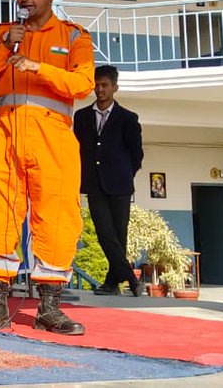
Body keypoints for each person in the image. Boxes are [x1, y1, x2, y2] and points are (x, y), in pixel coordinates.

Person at [0, 0, 95, 335]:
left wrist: (37, 67)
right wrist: (5, 47)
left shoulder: (74, 38)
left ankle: (50, 308)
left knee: (56, 217)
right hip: (6, 135)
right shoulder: (1, 35)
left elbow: (83, 84)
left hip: (53, 139)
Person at [73, 65, 144, 297]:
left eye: (105, 85)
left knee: (119, 235)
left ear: (115, 87)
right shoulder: (82, 116)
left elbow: (137, 154)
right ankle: (133, 281)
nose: (100, 89)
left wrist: (125, 174)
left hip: (121, 184)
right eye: (97, 85)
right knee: (105, 233)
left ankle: (112, 283)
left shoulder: (128, 118)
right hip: (94, 184)